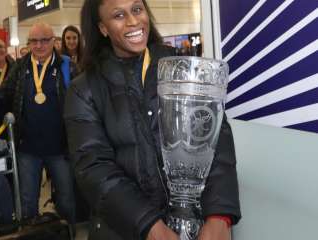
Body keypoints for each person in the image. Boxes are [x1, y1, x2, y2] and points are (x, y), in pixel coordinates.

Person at [63, 0, 241, 240]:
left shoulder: (183, 67)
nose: (134, 21)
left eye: (137, 9)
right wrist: (149, 225)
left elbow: (217, 139)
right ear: (103, 29)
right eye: (118, 15)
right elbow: (94, 167)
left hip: (197, 225)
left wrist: (219, 215)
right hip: (126, 230)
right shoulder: (84, 89)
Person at [1, 22, 76, 225]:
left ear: (54, 41)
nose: (39, 45)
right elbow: (5, 97)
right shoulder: (19, 67)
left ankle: (67, 232)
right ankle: (30, 235)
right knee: (27, 202)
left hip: (61, 147)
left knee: (67, 199)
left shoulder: (67, 66)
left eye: (44, 40)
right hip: (28, 148)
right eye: (34, 41)